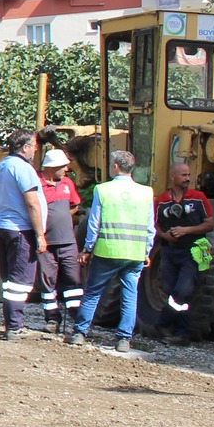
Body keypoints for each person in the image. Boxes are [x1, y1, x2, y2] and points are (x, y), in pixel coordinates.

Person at [67, 149, 155, 355]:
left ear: (115, 166)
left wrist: (88, 248)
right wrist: (146, 251)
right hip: (134, 254)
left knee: (93, 293)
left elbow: (94, 222)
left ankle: (79, 333)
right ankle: (124, 339)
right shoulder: (146, 192)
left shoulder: (103, 190)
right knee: (129, 295)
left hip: (107, 251)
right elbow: (151, 226)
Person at [0, 130, 49, 340]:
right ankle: (14, 327)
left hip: (2, 226)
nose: (35, 150)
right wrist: (40, 234)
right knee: (20, 280)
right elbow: (32, 202)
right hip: (20, 229)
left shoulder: (2, 166)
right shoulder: (23, 168)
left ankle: (12, 323)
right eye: (33, 146)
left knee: (9, 279)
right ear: (24, 147)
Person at [153, 161, 214, 342]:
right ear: (173, 176)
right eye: (184, 175)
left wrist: (186, 230)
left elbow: (210, 224)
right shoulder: (162, 200)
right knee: (171, 290)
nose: (187, 178)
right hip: (169, 251)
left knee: (182, 290)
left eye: (189, 175)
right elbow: (154, 224)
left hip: (192, 251)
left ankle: (162, 323)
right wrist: (165, 235)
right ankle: (181, 333)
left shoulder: (198, 197)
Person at [36, 149, 83, 336]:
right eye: (63, 166)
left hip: (68, 242)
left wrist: (63, 217)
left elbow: (75, 205)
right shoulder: (36, 183)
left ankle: (78, 320)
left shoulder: (67, 183)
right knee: (48, 283)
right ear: (52, 167)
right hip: (46, 244)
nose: (66, 169)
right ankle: (52, 319)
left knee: (73, 281)